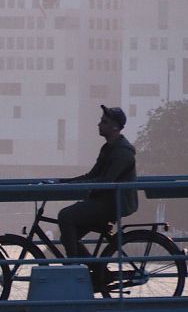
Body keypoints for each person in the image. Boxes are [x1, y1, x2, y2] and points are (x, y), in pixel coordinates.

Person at [58, 105, 138, 291]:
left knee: (65, 216)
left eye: (104, 122)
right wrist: (65, 182)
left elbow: (106, 180)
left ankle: (74, 270)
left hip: (113, 203)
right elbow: (92, 175)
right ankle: (98, 271)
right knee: (68, 237)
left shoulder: (123, 151)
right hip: (104, 200)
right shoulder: (108, 148)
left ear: (115, 127)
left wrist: (76, 187)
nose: (99, 124)